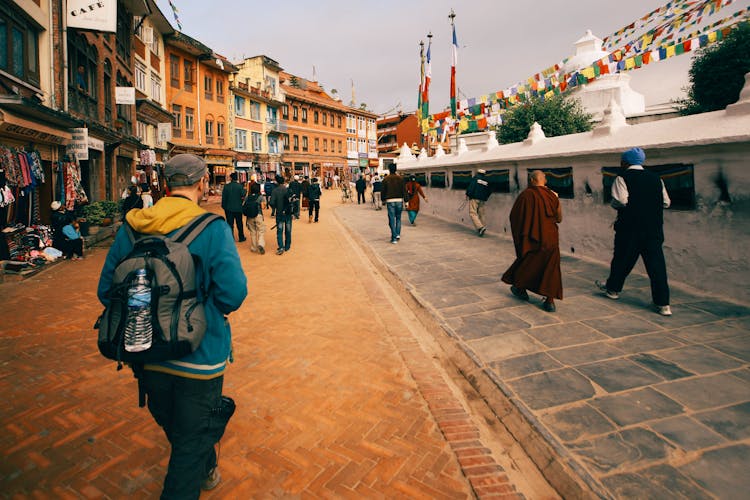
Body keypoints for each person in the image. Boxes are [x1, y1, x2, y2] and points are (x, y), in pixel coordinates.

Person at [97, 154, 247, 497]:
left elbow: (107, 290)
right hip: (201, 352)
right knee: (189, 442)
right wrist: (202, 311)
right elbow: (233, 294)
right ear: (201, 183)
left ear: (165, 185)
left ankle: (205, 465)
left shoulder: (133, 226)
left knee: (179, 428)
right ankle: (198, 467)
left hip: (146, 350)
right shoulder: (212, 228)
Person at [596, 147, 673, 316]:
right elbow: (666, 202)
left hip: (629, 228)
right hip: (653, 229)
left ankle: (613, 290)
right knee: (656, 266)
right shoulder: (656, 179)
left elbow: (621, 200)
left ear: (625, 162)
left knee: (622, 259)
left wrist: (619, 206)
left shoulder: (622, 178)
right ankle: (663, 304)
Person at [501, 170, 563, 312]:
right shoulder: (553, 195)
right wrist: (557, 201)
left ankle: (519, 286)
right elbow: (559, 219)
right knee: (551, 268)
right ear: (544, 181)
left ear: (532, 180)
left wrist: (523, 234)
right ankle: (549, 300)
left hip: (532, 238)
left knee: (528, 263)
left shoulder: (526, 195)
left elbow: (514, 217)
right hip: (551, 238)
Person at [380, 164, 406, 244]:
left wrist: (383, 200)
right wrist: (407, 201)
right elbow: (404, 190)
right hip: (399, 200)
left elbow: (383, 191)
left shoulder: (385, 179)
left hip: (390, 201)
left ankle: (394, 238)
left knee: (391, 219)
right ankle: (397, 234)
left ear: (389, 169)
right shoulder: (400, 179)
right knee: (398, 218)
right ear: (396, 169)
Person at [466, 168, 492, 236]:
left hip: (474, 198)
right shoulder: (487, 180)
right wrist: (485, 197)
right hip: (482, 199)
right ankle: (482, 228)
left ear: (477, 173)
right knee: (481, 214)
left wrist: (468, 194)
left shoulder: (475, 178)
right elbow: (490, 190)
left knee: (473, 213)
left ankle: (480, 227)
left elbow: (471, 188)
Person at [270, 174, 292, 255]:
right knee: (288, 229)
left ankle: (281, 247)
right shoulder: (288, 190)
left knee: (279, 230)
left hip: (279, 213)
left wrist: (275, 207)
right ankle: (287, 246)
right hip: (288, 212)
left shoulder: (275, 191)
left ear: (277, 182)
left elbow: (271, 202)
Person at [221, 172, 246, 242]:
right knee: (239, 223)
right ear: (237, 178)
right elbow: (243, 194)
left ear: (231, 178)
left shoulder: (226, 186)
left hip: (228, 209)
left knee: (230, 224)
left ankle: (231, 238)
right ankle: (241, 237)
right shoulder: (239, 186)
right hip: (238, 208)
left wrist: (224, 207)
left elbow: (224, 198)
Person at [245, 182, 266, 254]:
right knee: (261, 231)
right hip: (258, 215)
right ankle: (260, 244)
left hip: (249, 216)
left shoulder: (248, 197)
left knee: (253, 232)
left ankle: (254, 247)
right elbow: (263, 207)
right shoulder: (260, 197)